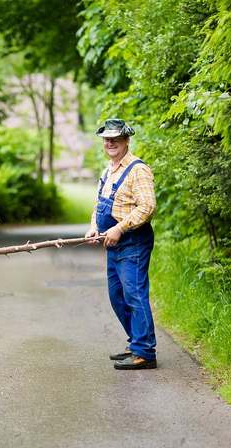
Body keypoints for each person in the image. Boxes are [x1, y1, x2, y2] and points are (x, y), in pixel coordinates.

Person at [85, 119, 158, 370]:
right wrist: (94, 226)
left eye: (116, 138)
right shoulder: (108, 170)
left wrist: (118, 228)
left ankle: (145, 352)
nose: (110, 143)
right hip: (113, 245)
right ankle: (136, 342)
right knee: (117, 297)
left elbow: (147, 207)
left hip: (133, 242)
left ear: (127, 140)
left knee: (134, 295)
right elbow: (98, 205)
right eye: (107, 139)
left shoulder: (138, 170)